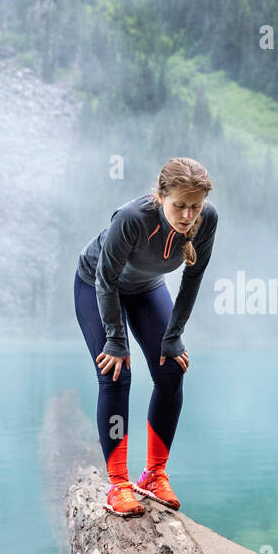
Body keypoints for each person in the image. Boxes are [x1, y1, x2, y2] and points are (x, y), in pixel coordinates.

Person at [72, 158, 218, 516]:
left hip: (146, 289)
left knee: (171, 370)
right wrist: (115, 340)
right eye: (179, 206)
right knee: (115, 373)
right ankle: (118, 485)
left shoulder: (207, 220)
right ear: (160, 196)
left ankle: (154, 475)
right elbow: (106, 280)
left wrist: (174, 336)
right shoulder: (132, 218)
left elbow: (192, 278)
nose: (187, 215)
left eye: (194, 207)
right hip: (96, 286)